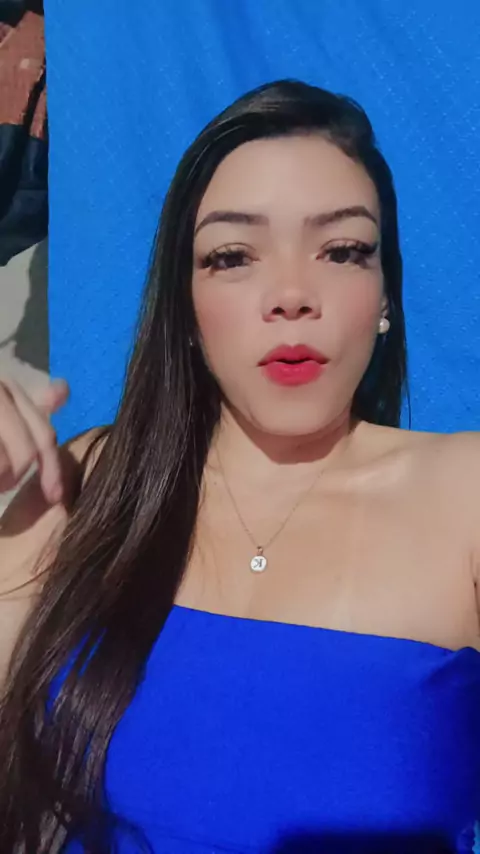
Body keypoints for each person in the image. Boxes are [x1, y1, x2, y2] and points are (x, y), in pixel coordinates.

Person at [0, 79, 479, 854]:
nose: (291, 295)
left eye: (342, 250)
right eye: (233, 256)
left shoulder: (465, 497)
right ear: (185, 308)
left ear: (385, 294)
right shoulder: (94, 480)